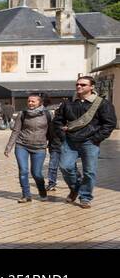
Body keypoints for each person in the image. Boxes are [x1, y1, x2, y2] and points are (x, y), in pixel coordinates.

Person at [51, 75, 117, 209]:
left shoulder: (103, 104)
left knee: (89, 171)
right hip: (70, 141)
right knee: (65, 167)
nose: (79, 87)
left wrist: (96, 139)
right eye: (77, 84)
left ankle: (85, 197)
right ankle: (75, 188)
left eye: (83, 85)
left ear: (92, 87)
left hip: (90, 142)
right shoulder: (68, 104)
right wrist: (63, 135)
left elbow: (109, 124)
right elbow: (57, 121)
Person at [4, 92, 50, 202]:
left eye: (33, 101)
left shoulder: (47, 114)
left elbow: (52, 131)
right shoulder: (22, 114)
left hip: (39, 147)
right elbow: (16, 131)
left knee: (36, 173)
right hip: (22, 145)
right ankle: (26, 195)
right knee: (23, 171)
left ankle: (42, 191)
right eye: (29, 101)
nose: (30, 103)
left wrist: (54, 146)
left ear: (40, 102)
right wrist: (8, 147)